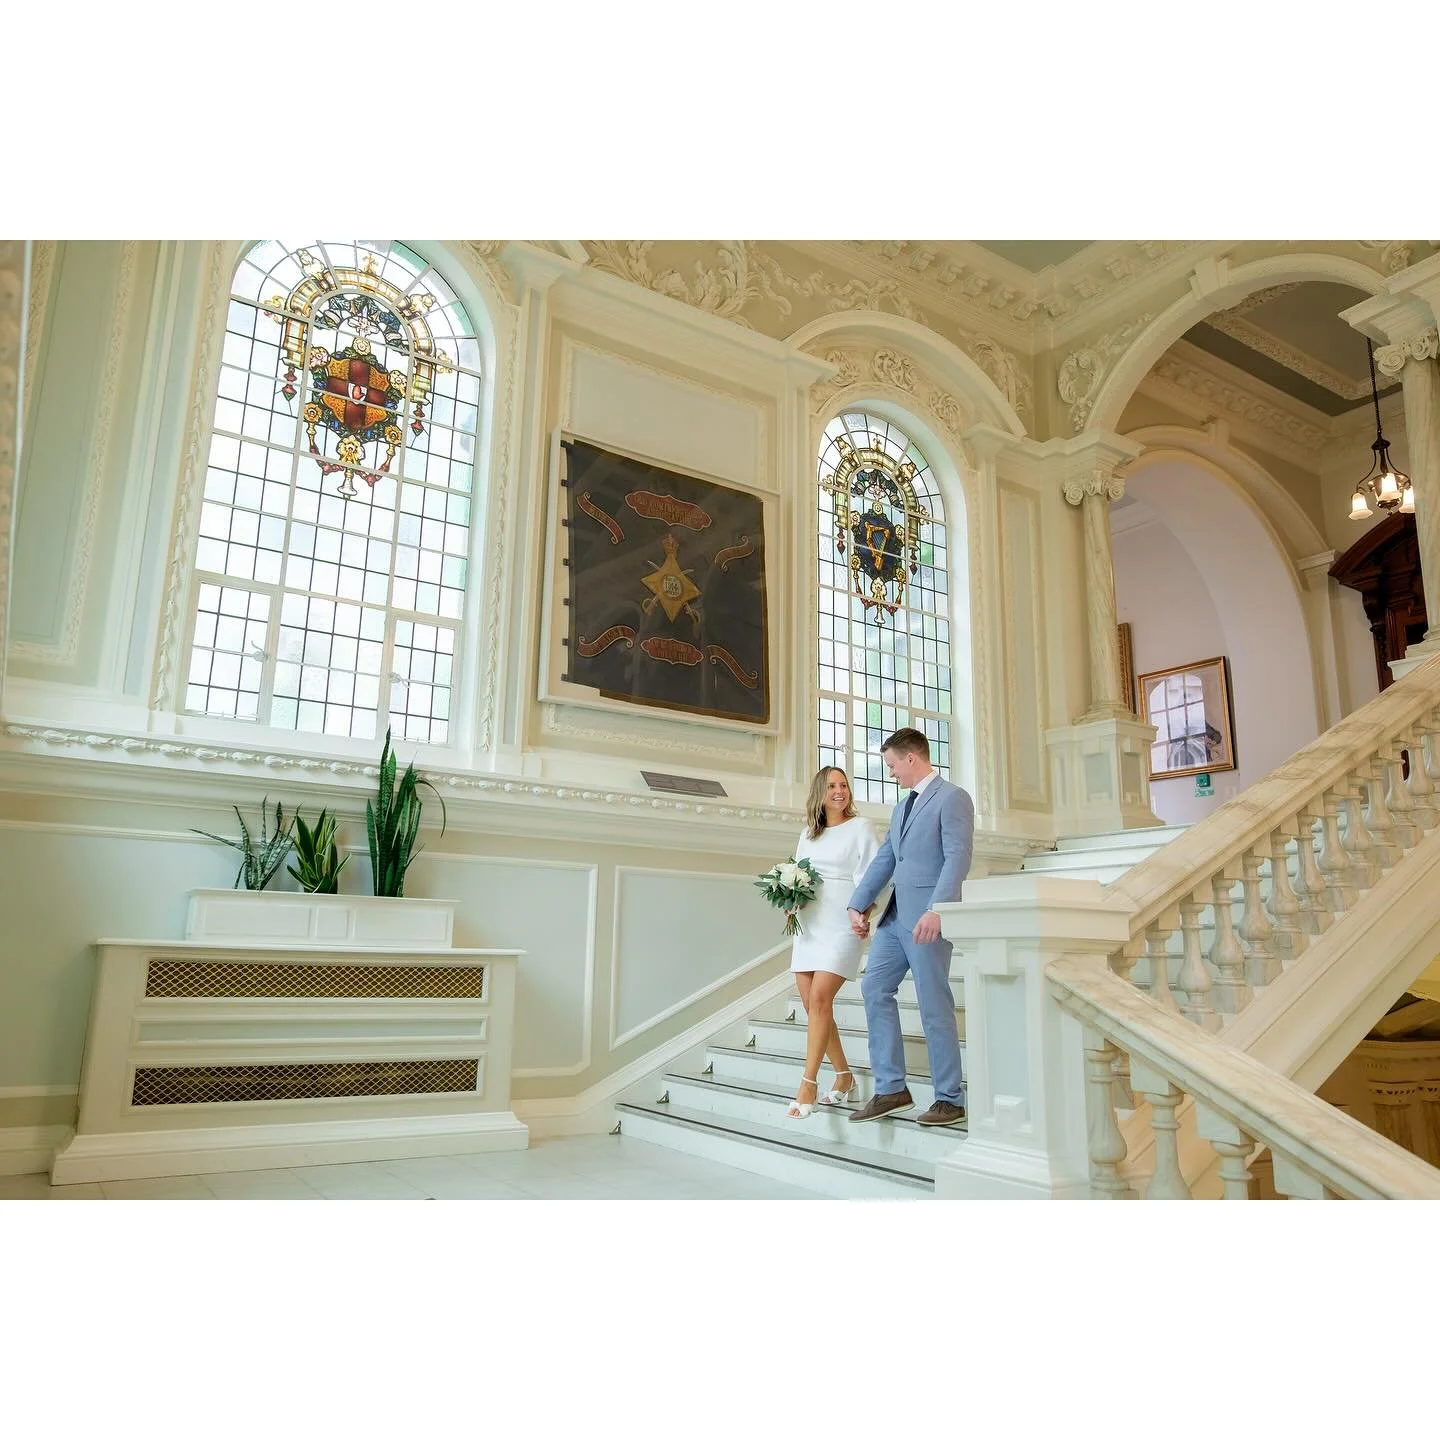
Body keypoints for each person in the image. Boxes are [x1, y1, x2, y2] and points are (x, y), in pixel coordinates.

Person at [846, 727, 973, 1127]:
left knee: (934, 1004)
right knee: (873, 988)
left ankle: (950, 1099)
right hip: (895, 918)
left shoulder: (953, 799)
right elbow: (887, 859)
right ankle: (891, 1089)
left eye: (892, 765)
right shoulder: (902, 806)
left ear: (911, 758)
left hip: (927, 921)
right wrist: (858, 903)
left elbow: (957, 857)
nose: (891, 772)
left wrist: (939, 909)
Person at [784, 766, 879, 1119]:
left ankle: (807, 1083)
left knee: (822, 997)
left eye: (844, 785)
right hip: (809, 922)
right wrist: (790, 902)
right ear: (820, 793)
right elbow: (799, 872)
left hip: (843, 920)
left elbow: (876, 874)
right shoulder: (808, 833)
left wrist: (865, 912)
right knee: (812, 1004)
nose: (839, 791)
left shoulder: (862, 827)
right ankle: (844, 1076)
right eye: (832, 786)